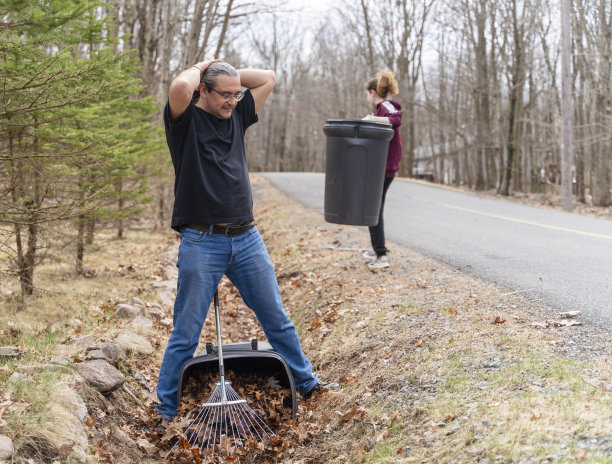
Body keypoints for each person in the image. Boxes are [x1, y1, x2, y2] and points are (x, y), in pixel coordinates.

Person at [156, 60, 337, 421]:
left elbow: (269, 77)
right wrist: (202, 64)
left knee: (277, 319)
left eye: (237, 93)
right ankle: (166, 409)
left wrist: (230, 75)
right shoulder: (185, 122)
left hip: (247, 239)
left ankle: (307, 383)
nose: (233, 100)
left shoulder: (237, 114)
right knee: (186, 332)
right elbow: (179, 86)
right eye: (224, 94)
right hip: (201, 241)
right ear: (202, 91)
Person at [362, 69, 403, 269]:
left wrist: (372, 119)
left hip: (385, 168)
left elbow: (397, 119)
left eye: (367, 94)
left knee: (374, 209)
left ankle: (381, 255)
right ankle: (376, 249)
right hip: (379, 167)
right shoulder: (379, 110)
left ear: (372, 92)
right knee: (372, 207)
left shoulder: (386, 106)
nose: (366, 97)